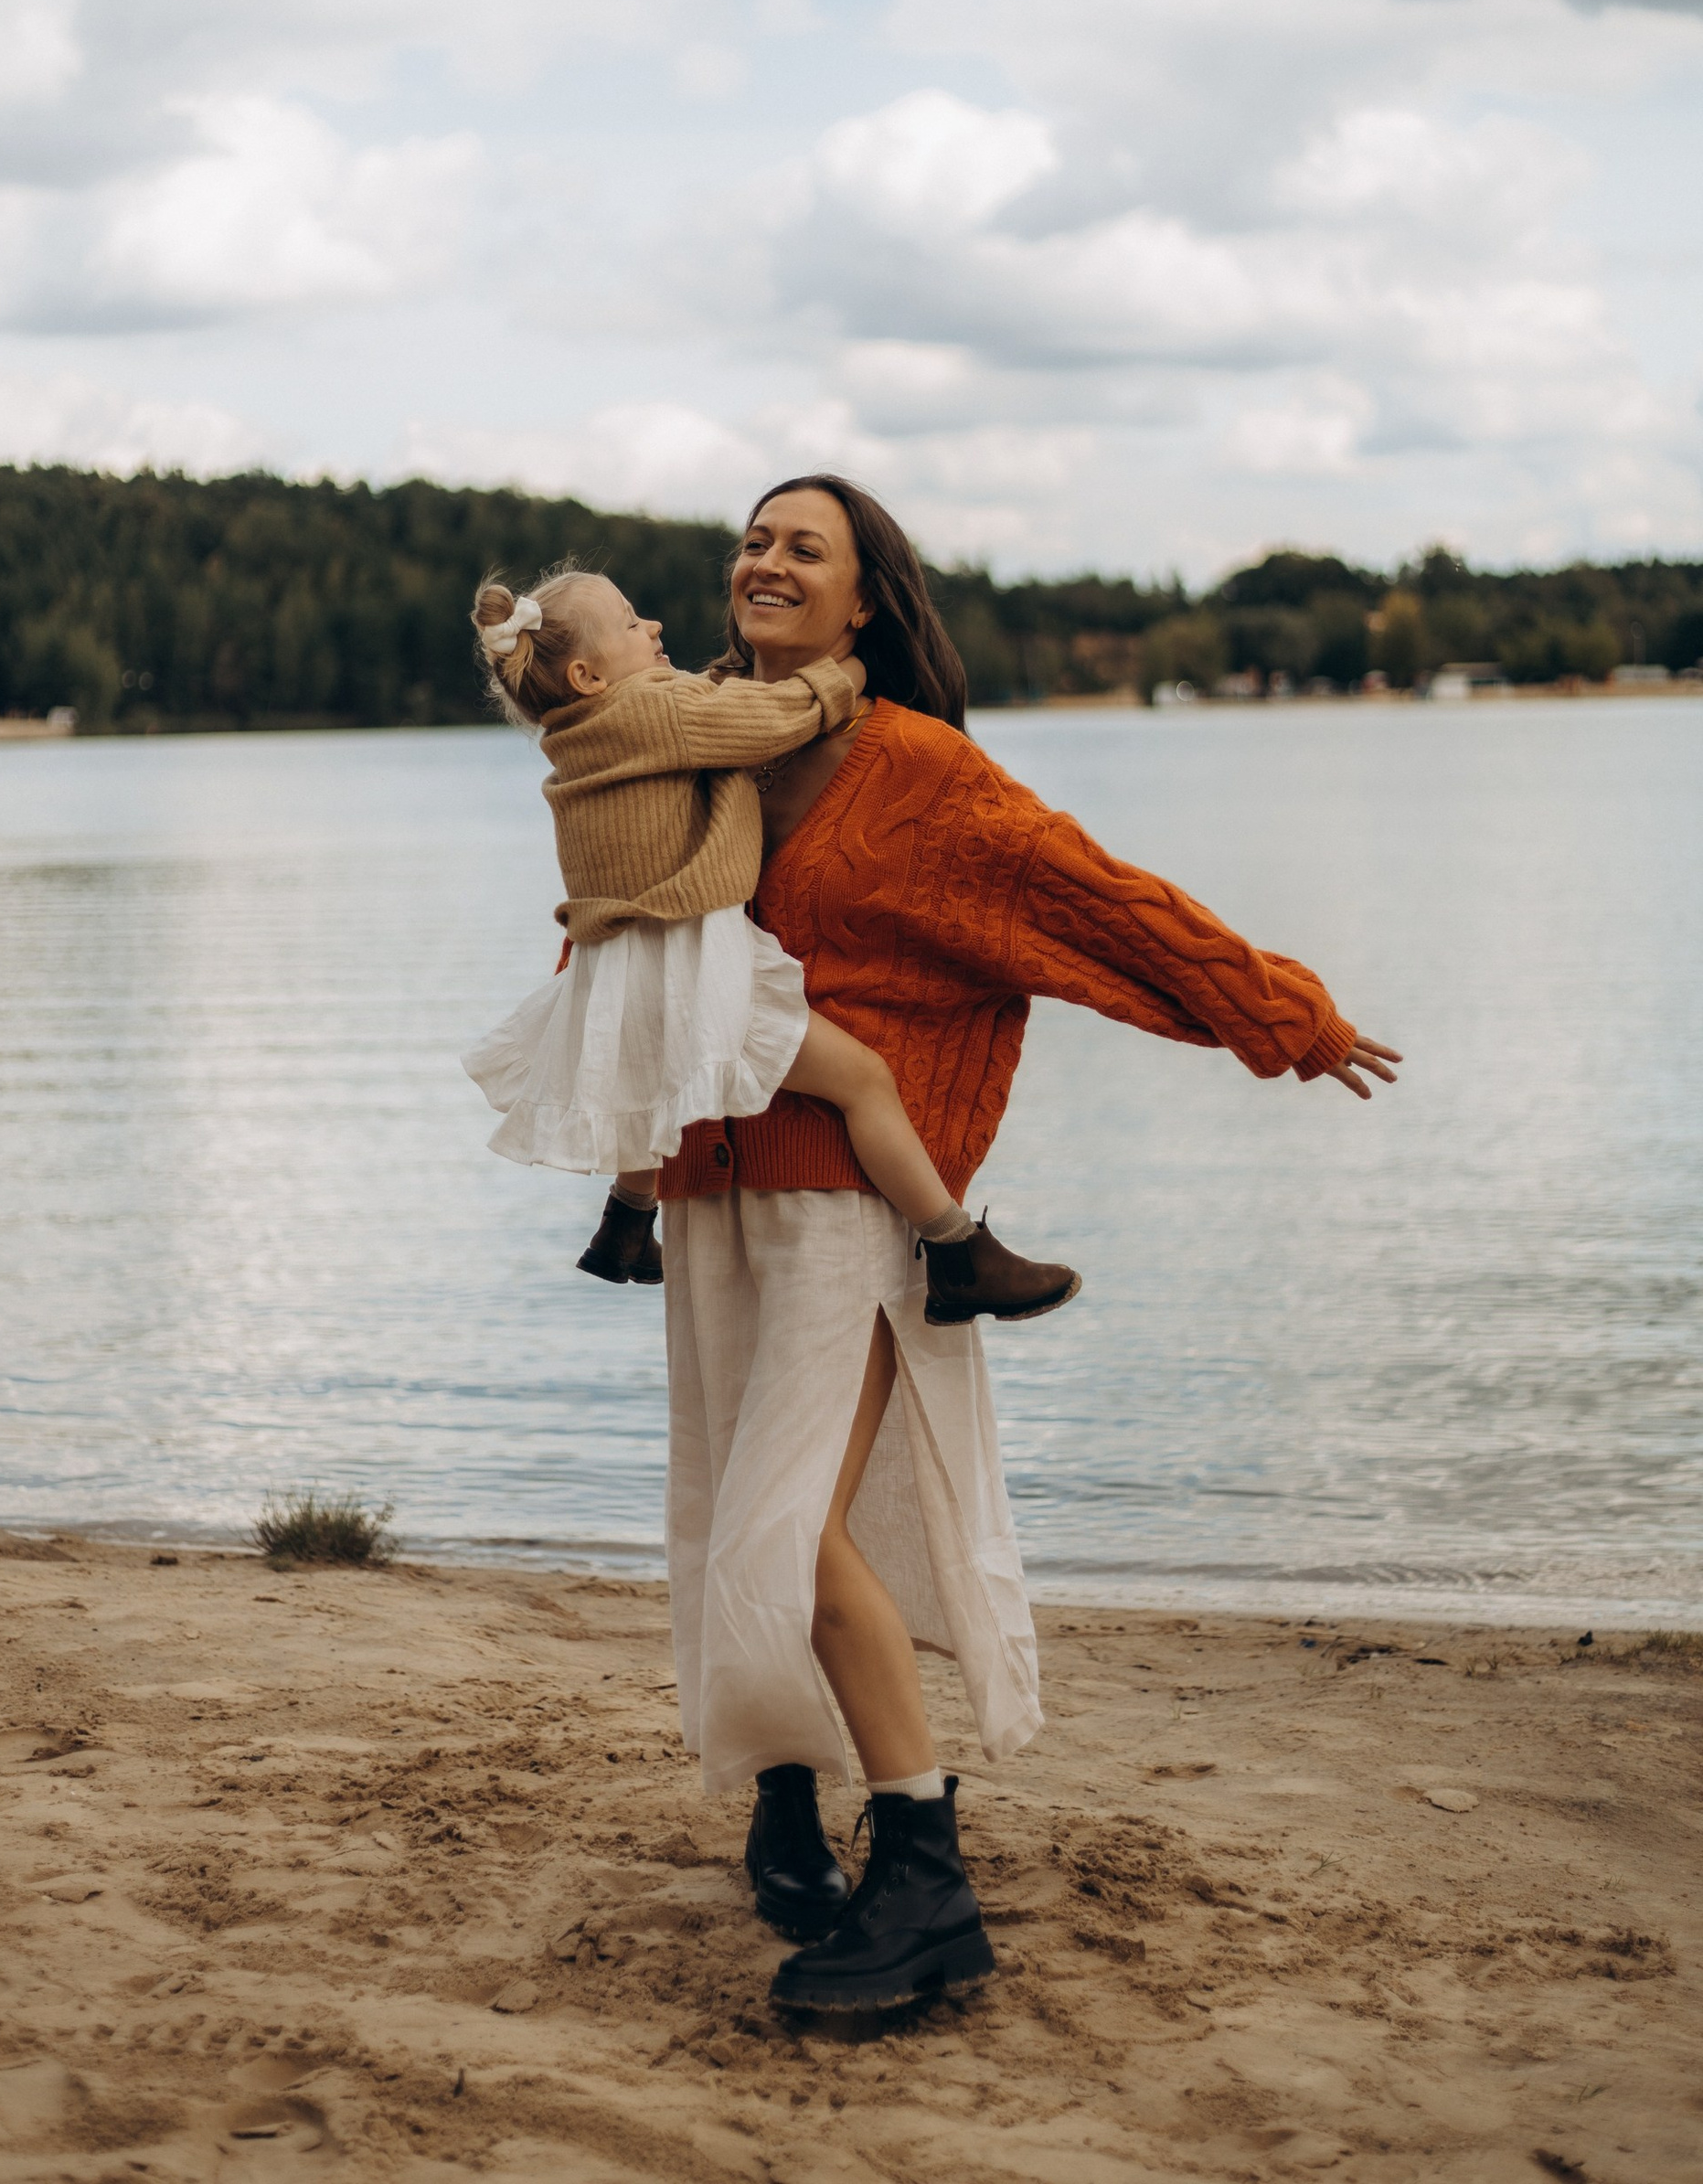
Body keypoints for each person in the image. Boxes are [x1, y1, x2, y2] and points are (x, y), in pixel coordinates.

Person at [657, 474, 1402, 2013]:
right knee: (742, 1511)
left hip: (849, 1205)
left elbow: (1095, 901)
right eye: (754, 540)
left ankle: (925, 1872)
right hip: (710, 1191)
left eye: (805, 547)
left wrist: (1281, 1014)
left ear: (866, 599)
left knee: (786, 1528)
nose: (766, 562)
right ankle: (789, 1795)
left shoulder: (916, 773)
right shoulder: (693, 742)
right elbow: (618, 921)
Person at [462, 568, 1080, 1317]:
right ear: (588, 675)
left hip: (622, 971)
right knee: (864, 1082)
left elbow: (704, 714)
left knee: (657, 1083)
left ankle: (625, 1227)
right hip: (690, 967)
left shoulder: (577, 733)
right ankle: (956, 1254)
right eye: (630, 623)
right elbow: (778, 719)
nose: (653, 627)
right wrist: (856, 669)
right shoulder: (655, 710)